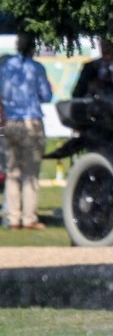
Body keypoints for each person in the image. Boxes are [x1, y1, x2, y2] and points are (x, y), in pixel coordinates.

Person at [1, 34, 53, 231]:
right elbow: (46, 95)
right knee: (30, 173)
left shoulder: (5, 67)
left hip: (10, 120)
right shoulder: (36, 68)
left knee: (12, 173)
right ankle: (28, 218)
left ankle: (13, 217)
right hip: (30, 120)